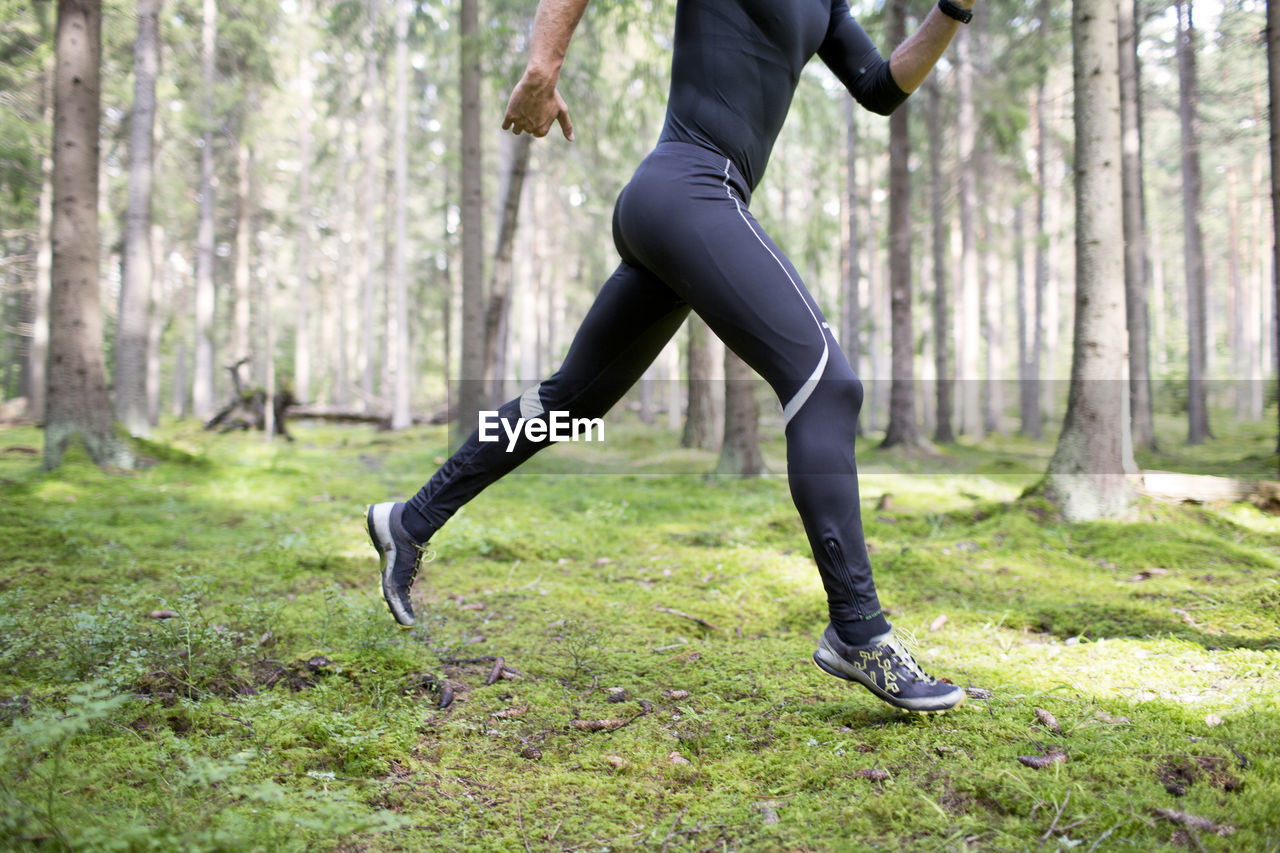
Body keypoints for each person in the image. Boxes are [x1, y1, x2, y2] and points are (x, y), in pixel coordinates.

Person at [368, 0, 976, 714]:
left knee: (571, 400)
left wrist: (952, 12)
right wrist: (542, 66)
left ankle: (408, 520)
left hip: (684, 203)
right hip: (692, 187)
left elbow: (879, 87)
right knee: (827, 385)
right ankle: (859, 630)